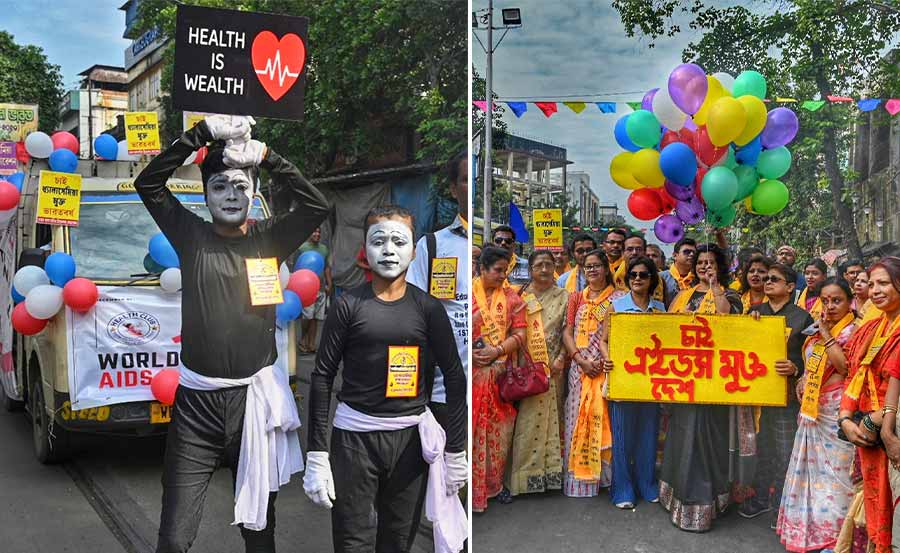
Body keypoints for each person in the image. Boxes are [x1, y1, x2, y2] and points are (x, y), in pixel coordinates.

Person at [134, 115, 329, 553]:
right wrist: (200, 135)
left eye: (240, 186)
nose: (230, 195)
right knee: (174, 535)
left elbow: (316, 206)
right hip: (195, 413)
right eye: (219, 186)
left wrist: (267, 157)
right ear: (204, 195)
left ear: (254, 193)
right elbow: (148, 184)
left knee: (260, 531)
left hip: (252, 408)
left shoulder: (269, 239)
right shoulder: (190, 236)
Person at [304, 206, 467, 553]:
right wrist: (316, 453)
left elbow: (454, 376)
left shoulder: (428, 308)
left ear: (413, 249)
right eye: (379, 241)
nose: (389, 250)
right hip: (354, 442)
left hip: (410, 442)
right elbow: (321, 377)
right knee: (353, 543)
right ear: (365, 248)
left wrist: (456, 450)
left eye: (398, 241)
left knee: (397, 542)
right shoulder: (347, 306)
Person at [659, 243, 742, 533]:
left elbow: (726, 320)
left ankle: (707, 501)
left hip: (714, 380)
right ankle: (676, 495)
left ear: (720, 267)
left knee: (706, 437)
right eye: (701, 263)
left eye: (711, 263)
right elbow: (667, 329)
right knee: (682, 433)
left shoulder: (730, 294)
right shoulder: (682, 295)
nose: (705, 267)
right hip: (682, 378)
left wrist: (714, 286)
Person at [775, 277, 858, 553]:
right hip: (812, 408)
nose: (831, 306)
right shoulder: (815, 330)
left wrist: (825, 332)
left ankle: (835, 536)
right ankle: (810, 530)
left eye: (837, 300)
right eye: (826, 300)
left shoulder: (854, 331)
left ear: (850, 302)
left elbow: (844, 367)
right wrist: (802, 379)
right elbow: (812, 364)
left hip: (837, 412)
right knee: (810, 474)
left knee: (838, 476)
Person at [740, 264, 815, 526]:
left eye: (774, 279)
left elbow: (813, 358)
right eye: (765, 278)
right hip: (757, 396)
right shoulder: (754, 312)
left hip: (786, 398)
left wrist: (797, 369)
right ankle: (760, 500)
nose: (766, 281)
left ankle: (781, 508)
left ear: (790, 287)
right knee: (763, 451)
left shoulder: (802, 318)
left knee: (785, 454)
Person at [406, 152, 469, 432]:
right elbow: (411, 316)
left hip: (498, 391)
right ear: (454, 189)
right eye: (468, 179)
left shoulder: (505, 245)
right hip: (446, 393)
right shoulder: (431, 247)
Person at [599, 256, 665, 509]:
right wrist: (608, 360)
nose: (638, 278)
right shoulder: (616, 306)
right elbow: (604, 340)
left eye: (643, 275)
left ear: (652, 279)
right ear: (627, 280)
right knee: (623, 436)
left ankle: (647, 485)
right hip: (623, 380)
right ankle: (623, 489)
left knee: (649, 435)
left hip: (651, 383)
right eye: (633, 275)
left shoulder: (660, 308)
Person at [848, 257, 900, 553]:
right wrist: (846, 419)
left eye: (884, 283)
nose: (875, 290)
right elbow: (853, 376)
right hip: (867, 431)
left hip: (885, 431)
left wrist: (879, 425)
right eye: (872, 284)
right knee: (870, 504)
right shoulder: (869, 329)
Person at [508, 250, 569, 496]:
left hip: (554, 367)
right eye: (539, 265)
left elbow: (569, 331)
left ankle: (550, 476)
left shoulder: (566, 296)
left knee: (553, 419)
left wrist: (562, 358)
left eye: (548, 265)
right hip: (526, 367)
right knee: (526, 421)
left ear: (555, 267)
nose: (544, 269)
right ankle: (525, 477)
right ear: (530, 269)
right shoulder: (519, 295)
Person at [472, 246, 526, 512]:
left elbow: (520, 334)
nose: (503, 276)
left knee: (498, 435)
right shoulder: (465, 295)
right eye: (497, 270)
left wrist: (497, 350)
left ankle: (492, 487)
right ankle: (466, 492)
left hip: (499, 377)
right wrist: (471, 354)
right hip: (468, 375)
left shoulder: (512, 299)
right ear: (482, 269)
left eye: (506, 271)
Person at [561, 249, 619, 497]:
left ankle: (605, 478)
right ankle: (578, 480)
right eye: (587, 266)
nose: (592, 270)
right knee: (576, 420)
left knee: (605, 421)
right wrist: (580, 360)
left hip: (606, 368)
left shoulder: (619, 297)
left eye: (596, 266)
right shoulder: (575, 298)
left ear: (606, 269)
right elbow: (567, 332)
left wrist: (600, 360)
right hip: (579, 368)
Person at [298, 227, 333, 353]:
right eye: (314, 231)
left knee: (316, 318)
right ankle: (302, 339)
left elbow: (326, 268)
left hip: (320, 287)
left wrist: (329, 284)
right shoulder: (302, 248)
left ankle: (311, 344)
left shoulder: (324, 249)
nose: (317, 234)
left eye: (319, 232)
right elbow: (297, 267)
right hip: (307, 288)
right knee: (307, 316)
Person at [612, 233, 665, 304]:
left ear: (644, 252)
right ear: (622, 253)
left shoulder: (654, 276)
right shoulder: (612, 275)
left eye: (638, 249)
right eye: (630, 249)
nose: (634, 253)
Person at [660, 237, 697, 302]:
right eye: (687, 252)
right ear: (675, 256)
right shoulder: (661, 277)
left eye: (694, 252)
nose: (691, 254)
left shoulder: (699, 278)